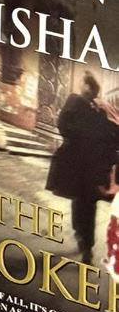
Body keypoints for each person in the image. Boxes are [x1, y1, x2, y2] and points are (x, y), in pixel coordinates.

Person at [46, 73, 119, 263]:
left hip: (84, 165)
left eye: (82, 83)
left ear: (87, 86)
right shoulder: (95, 107)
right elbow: (112, 138)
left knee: (82, 202)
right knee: (85, 203)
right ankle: (85, 241)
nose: (80, 86)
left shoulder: (87, 105)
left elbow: (63, 125)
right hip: (88, 166)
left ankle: (84, 241)